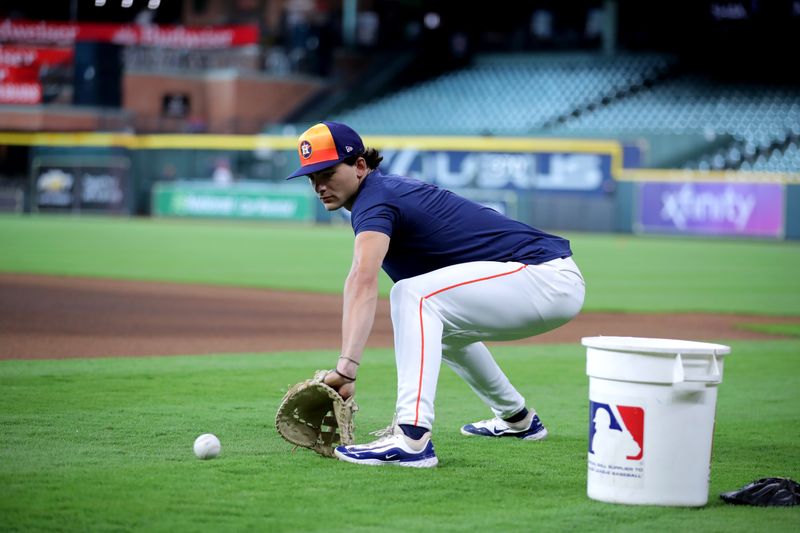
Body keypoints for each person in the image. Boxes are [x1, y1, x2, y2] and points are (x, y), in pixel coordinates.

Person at [286, 121, 585, 468]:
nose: (319, 185)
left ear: (360, 166)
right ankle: (517, 419)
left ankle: (412, 438)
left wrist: (346, 369)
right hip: (542, 283)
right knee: (439, 328)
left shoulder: (375, 200)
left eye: (327, 172)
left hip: (543, 278)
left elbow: (361, 279)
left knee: (412, 295)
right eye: (312, 177)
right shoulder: (380, 194)